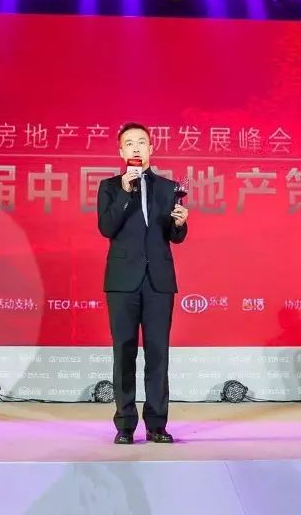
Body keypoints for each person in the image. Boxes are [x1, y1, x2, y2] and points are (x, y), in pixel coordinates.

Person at [96, 122, 189, 444]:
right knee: (123, 353)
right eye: (129, 143)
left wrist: (180, 224)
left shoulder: (168, 188)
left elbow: (173, 237)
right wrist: (125, 191)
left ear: (151, 148)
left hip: (158, 281)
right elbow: (107, 228)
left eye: (141, 142)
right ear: (121, 152)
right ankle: (124, 425)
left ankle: (157, 425)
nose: (136, 147)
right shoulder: (110, 187)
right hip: (122, 282)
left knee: (157, 354)